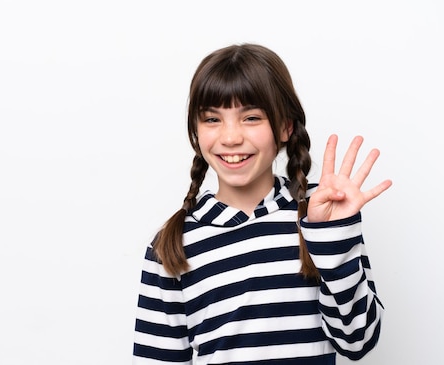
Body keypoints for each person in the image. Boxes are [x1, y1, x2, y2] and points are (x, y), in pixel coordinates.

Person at [132, 43, 392, 365]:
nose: (230, 137)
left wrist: (333, 240)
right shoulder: (173, 244)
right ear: (196, 133)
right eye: (212, 119)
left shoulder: (320, 213)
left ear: (286, 127)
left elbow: (358, 341)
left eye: (251, 117)